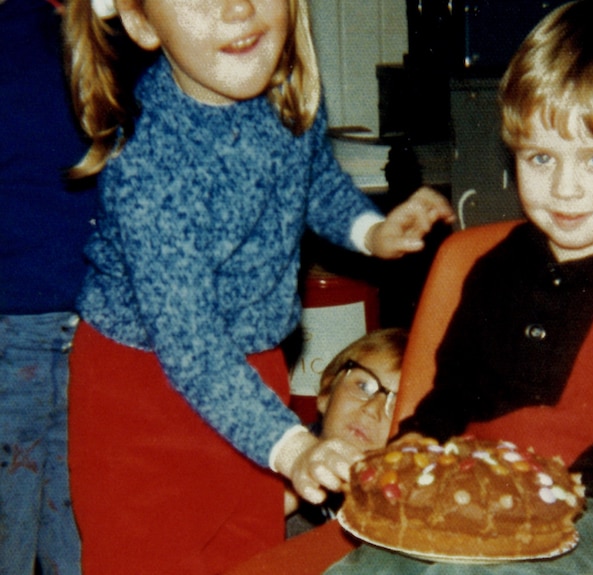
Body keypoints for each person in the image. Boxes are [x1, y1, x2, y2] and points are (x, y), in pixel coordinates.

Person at [325, 2, 593, 575]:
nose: (564, 188)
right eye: (540, 157)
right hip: (477, 484)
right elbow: (452, 393)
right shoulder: (493, 268)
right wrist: (416, 439)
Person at [61, 0, 454, 572]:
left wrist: (372, 231)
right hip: (140, 391)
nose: (238, 8)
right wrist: (293, 446)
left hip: (252, 363)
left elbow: (315, 181)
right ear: (143, 23)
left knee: (250, 551)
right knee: (151, 556)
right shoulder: (150, 165)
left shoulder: (286, 99)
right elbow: (192, 347)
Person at [0, 0, 98, 573]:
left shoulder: (120, 37)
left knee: (80, 526)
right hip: (14, 327)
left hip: (98, 327)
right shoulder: (17, 37)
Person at [285, 327, 407, 537]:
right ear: (325, 393)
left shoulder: (398, 510)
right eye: (363, 386)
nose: (371, 410)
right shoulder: (276, 463)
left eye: (395, 407)